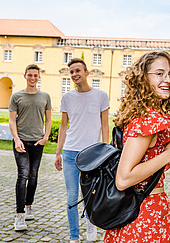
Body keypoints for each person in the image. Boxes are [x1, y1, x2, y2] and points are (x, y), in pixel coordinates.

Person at [104, 50, 170, 242]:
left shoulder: (148, 116)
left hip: (147, 211)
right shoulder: (145, 120)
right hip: (143, 218)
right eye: (159, 74)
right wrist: (169, 154)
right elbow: (123, 179)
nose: (168, 80)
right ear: (143, 79)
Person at [54, 58, 110, 243]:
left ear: (86, 73)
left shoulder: (101, 95)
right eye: (71, 72)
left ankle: (91, 223)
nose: (74, 74)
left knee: (91, 194)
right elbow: (63, 127)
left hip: (92, 154)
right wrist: (58, 153)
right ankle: (74, 237)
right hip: (70, 153)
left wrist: (106, 150)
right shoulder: (67, 98)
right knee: (72, 196)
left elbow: (104, 125)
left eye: (77, 70)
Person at [8, 64, 52, 231]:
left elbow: (48, 120)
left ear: (39, 77)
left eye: (35, 75)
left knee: (33, 176)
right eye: (30, 75)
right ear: (24, 76)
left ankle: (28, 206)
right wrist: (16, 139)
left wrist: (45, 137)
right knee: (23, 175)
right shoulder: (16, 96)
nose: (33, 78)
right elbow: (12, 120)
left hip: (37, 143)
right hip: (21, 142)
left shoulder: (45, 97)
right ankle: (19, 216)